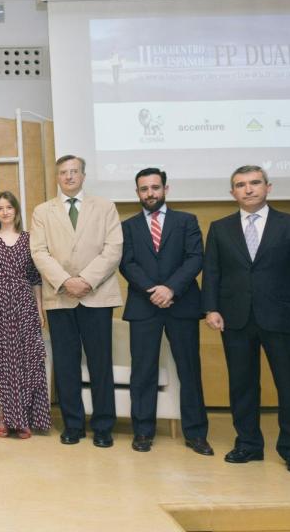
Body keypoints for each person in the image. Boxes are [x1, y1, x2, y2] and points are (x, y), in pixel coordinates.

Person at [202, 165, 290, 475]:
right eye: (241, 185)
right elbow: (212, 272)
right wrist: (210, 309)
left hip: (284, 318)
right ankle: (248, 445)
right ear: (233, 193)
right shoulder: (220, 228)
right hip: (235, 319)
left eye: (255, 183)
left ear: (268, 187)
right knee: (242, 385)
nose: (249, 189)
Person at [30, 155, 122, 447]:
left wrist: (85, 280)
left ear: (83, 175)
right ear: (57, 177)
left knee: (100, 364)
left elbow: (113, 249)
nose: (69, 177)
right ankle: (72, 425)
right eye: (63, 173)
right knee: (66, 365)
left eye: (74, 172)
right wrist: (66, 281)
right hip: (60, 297)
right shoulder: (43, 211)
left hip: (96, 295)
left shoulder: (105, 207)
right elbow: (39, 252)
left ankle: (104, 426)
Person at [119, 168, 210, 455]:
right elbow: (127, 263)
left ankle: (196, 434)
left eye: (155, 187)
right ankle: (143, 432)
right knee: (143, 372)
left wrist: (170, 289)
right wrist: (153, 290)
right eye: (144, 189)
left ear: (166, 189)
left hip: (180, 304)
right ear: (137, 193)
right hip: (144, 306)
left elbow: (195, 258)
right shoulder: (128, 226)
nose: (150, 193)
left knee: (189, 370)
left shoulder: (187, 221)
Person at [0, 191, 50, 439]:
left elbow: (35, 279)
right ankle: (2, 417)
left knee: (26, 362)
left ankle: (22, 419)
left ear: (16, 211)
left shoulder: (30, 239)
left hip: (24, 307)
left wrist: (40, 311)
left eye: (9, 207)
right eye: (0, 208)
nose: (5, 212)